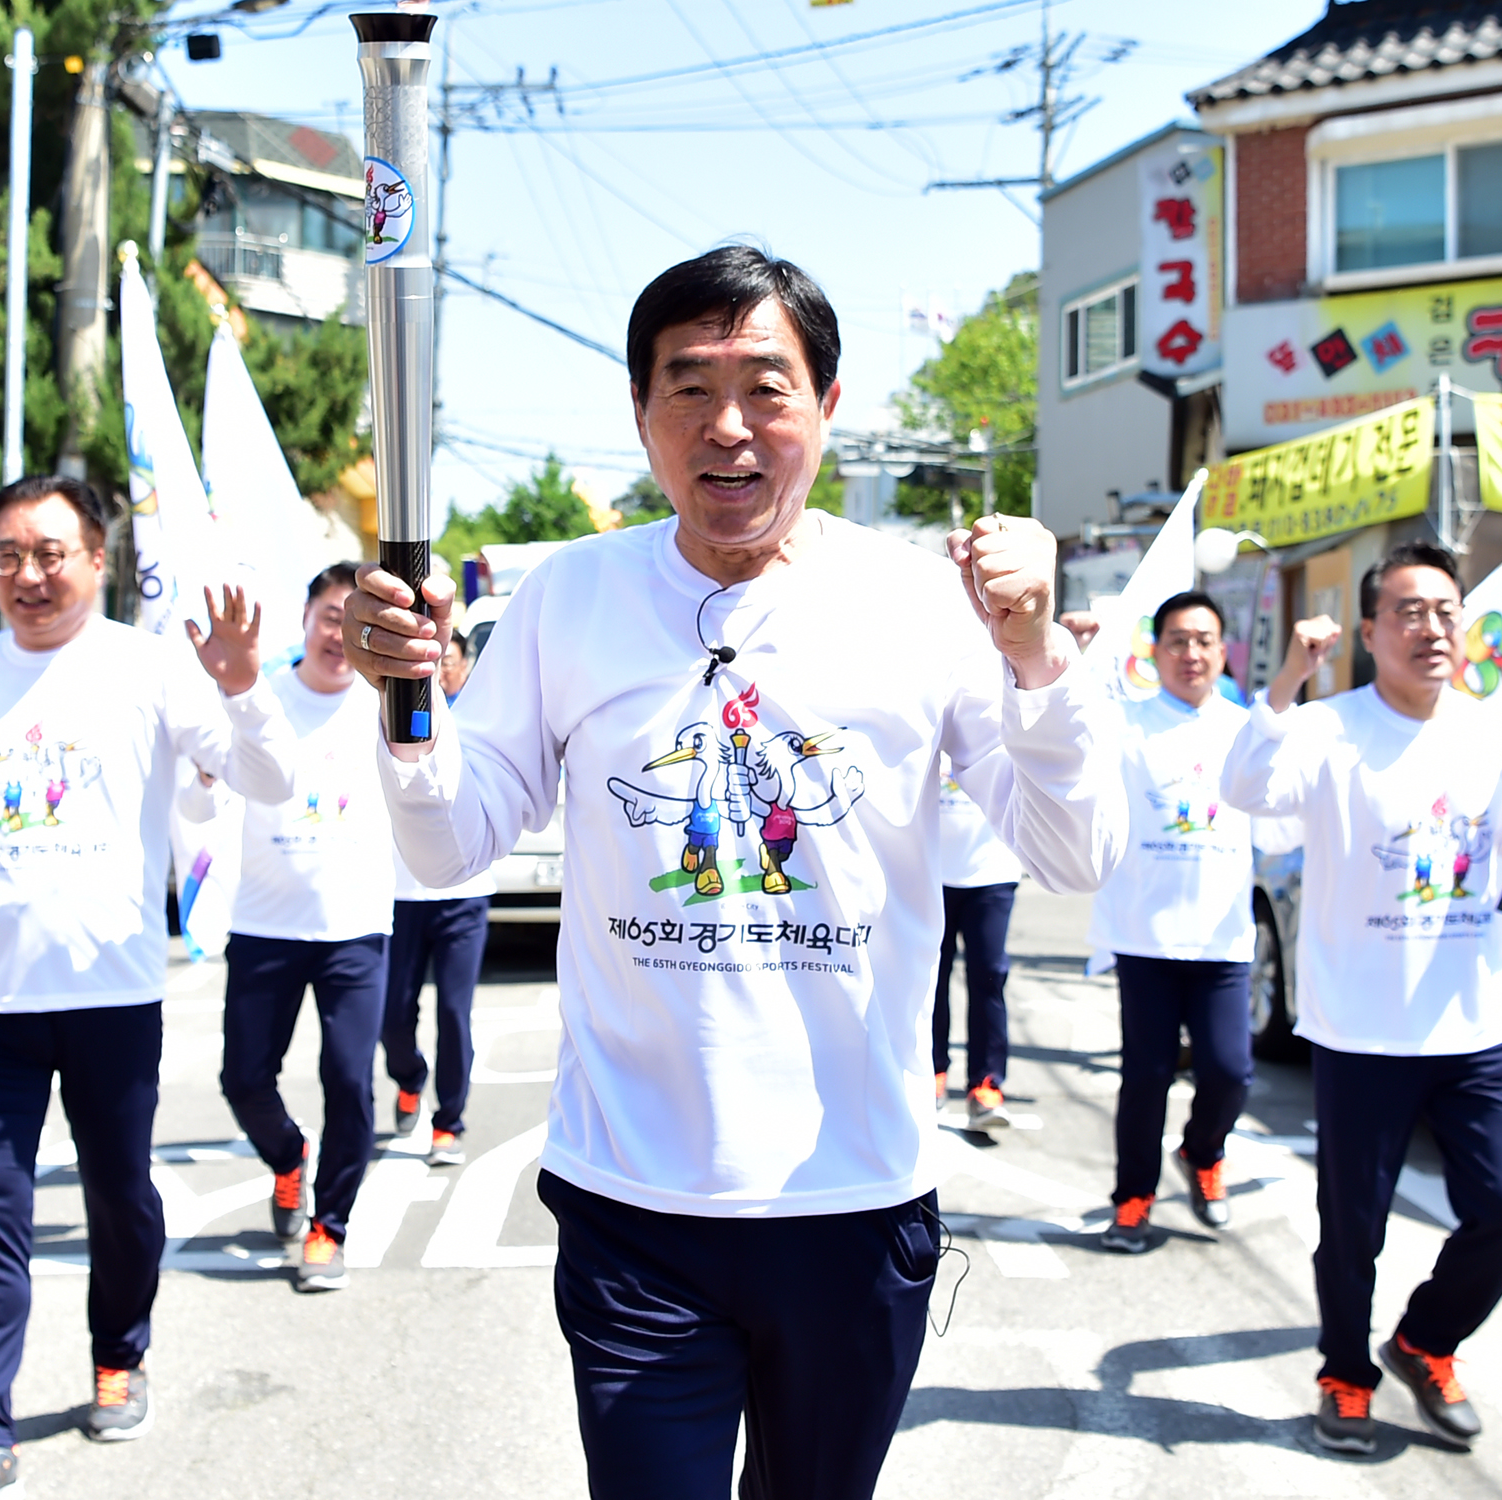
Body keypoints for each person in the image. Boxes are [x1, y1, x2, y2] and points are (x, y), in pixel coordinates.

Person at [345, 245, 1126, 1500]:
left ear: (827, 403)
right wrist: (411, 702)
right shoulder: (570, 597)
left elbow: (1072, 851)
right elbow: (447, 843)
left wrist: (1038, 658)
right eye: (690, 388)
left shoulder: (924, 605)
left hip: (853, 1196)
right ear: (640, 411)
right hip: (633, 1199)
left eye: (766, 387)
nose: (728, 427)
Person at [0, 475, 300, 1500]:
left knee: (120, 1201)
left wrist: (246, 685)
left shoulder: (149, 668)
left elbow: (269, 781)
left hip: (111, 1000)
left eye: (49, 553)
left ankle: (120, 1356)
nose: (27, 575)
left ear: (97, 561)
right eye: (7, 556)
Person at [1220, 540, 1502, 1457]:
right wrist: (1286, 682)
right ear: (1371, 630)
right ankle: (1345, 1374)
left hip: (1473, 1025)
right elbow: (1245, 792)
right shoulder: (1326, 729)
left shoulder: (1495, 734)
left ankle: (1425, 1341)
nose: (1431, 628)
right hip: (1362, 1030)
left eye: (1445, 611)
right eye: (1409, 611)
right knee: (1353, 1230)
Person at [207, 562, 396, 1294]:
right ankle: (288, 1157)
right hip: (265, 924)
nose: (339, 636)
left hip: (355, 927)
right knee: (243, 1079)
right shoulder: (261, 701)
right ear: (307, 621)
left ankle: (330, 1227)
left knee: (348, 1079)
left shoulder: (386, 705)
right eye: (329, 618)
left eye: (355, 622)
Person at [1083, 589, 1288, 1253]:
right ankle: (1133, 1199)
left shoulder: (1245, 729)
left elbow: (1278, 821)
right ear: (1157, 651)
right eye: (1177, 641)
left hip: (1222, 940)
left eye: (1203, 641)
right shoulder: (1128, 723)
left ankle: (1202, 1151)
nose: (1191, 653)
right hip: (1145, 936)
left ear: (1223, 652)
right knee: (1146, 1077)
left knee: (1230, 1072)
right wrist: (1082, 655)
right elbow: (1074, 732)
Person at [382, 846, 494, 1165]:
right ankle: (409, 1079)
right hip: (398, 896)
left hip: (465, 895)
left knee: (454, 1012)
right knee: (393, 1015)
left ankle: (448, 1123)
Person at [933, 755, 1021, 1130]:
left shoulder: (1005, 721)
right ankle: (931, 1070)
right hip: (928, 872)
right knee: (930, 977)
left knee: (988, 975)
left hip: (992, 870)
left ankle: (985, 1083)